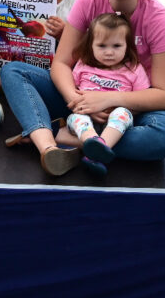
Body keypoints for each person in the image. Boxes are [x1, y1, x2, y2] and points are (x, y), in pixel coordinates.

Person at [0, 0, 165, 176]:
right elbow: (61, 64)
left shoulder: (158, 18)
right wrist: (78, 100)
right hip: (82, 95)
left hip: (130, 108)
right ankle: (48, 146)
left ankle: (73, 139)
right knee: (14, 71)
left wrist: (107, 100)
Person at [58, 13, 150, 176]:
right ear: (91, 45)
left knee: (122, 113)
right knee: (77, 118)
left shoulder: (134, 69)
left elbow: (141, 100)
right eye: (102, 46)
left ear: (127, 46)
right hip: (86, 117)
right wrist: (84, 108)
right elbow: (74, 91)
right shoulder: (83, 65)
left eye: (116, 46)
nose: (109, 52)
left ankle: (100, 146)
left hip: (117, 123)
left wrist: (119, 108)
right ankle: (93, 145)